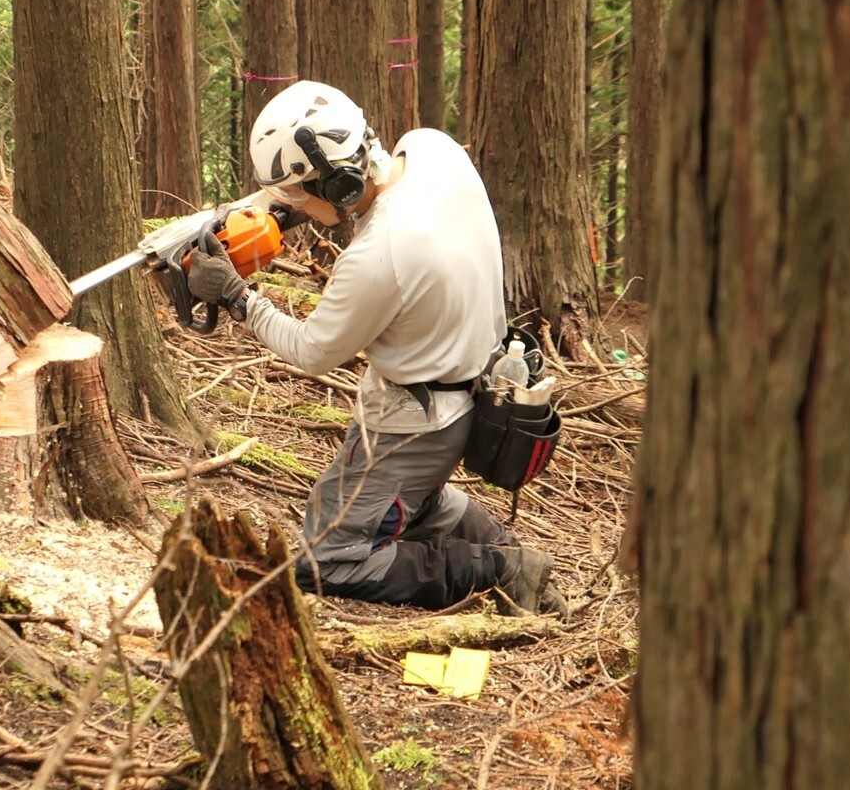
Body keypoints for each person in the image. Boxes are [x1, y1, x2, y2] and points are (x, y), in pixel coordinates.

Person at [186, 80, 567, 616]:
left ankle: (498, 571)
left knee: (332, 558)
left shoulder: (379, 255)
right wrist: (295, 208)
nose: (291, 206)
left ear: (339, 184)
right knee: (406, 499)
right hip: (467, 391)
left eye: (298, 194)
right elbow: (388, 222)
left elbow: (314, 350)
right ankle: (508, 553)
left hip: (412, 422)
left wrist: (237, 297)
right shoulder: (432, 150)